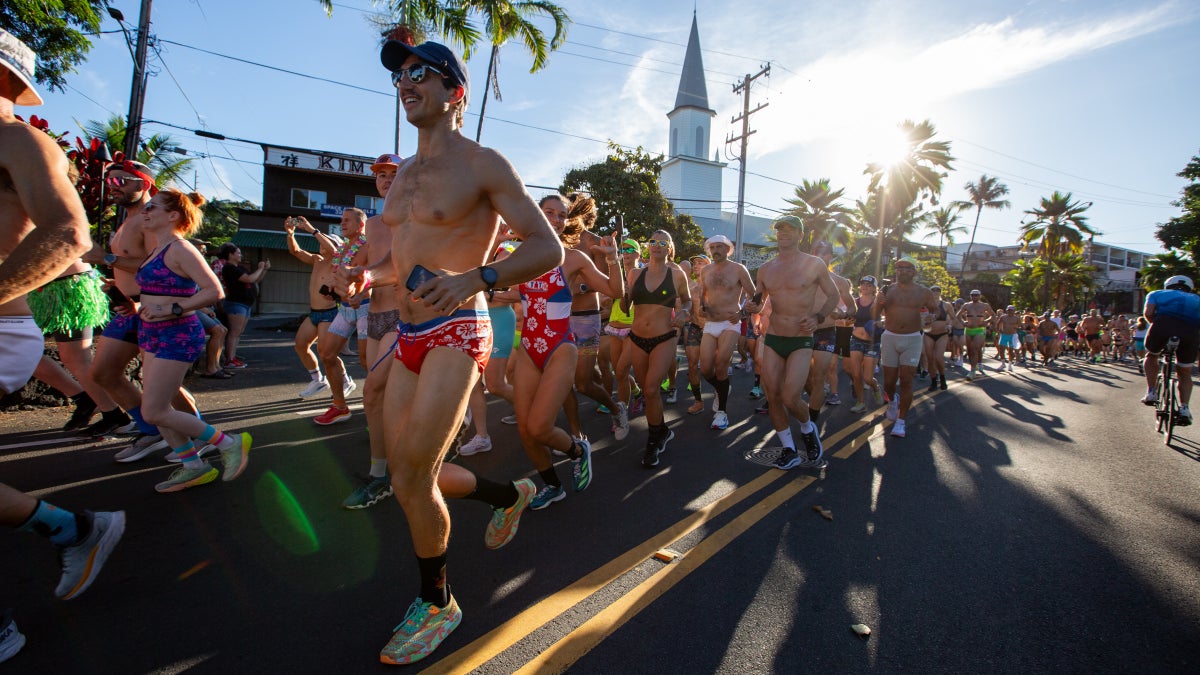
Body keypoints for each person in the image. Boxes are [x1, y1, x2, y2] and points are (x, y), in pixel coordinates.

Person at [376, 39, 563, 665]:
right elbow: (398, 256)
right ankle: (508, 496)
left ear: (455, 91)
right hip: (408, 333)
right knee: (406, 476)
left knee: (412, 474)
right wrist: (364, 275)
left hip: (458, 327)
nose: (406, 83)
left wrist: (476, 279)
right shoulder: (404, 173)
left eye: (420, 73)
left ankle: (437, 604)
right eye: (400, 76)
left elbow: (547, 247)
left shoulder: (484, 164)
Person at [0, 32, 124, 662]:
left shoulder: (18, 139)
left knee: (84, 360)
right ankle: (73, 528)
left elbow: (71, 233)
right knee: (81, 362)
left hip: (5, 323)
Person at [133, 189, 253, 491]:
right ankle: (194, 467)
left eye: (152, 207)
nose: (145, 211)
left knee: (153, 411)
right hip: (152, 333)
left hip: (177, 333)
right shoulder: (158, 248)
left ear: (173, 216)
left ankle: (229, 443)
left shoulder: (181, 249)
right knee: (156, 408)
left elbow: (214, 291)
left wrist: (172, 309)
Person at [515, 194, 623, 507]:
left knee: (539, 426)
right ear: (537, 215)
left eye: (562, 215)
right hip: (528, 348)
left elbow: (615, 291)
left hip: (560, 347)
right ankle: (553, 486)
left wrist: (613, 258)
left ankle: (578, 450)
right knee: (525, 430)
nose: (556, 219)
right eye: (549, 212)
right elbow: (504, 289)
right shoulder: (520, 255)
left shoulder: (573, 258)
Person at [755, 215, 840, 467]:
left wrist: (818, 317)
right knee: (772, 396)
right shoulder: (766, 268)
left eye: (790, 229)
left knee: (791, 397)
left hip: (801, 339)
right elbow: (758, 300)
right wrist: (751, 306)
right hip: (773, 338)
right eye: (780, 229)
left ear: (801, 235)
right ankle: (789, 449)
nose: (783, 233)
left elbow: (833, 295)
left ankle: (807, 428)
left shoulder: (814, 264)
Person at [625, 230, 691, 467]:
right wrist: (622, 287)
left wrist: (683, 313)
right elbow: (624, 306)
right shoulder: (635, 273)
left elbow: (687, 300)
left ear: (669, 248)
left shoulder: (676, 274)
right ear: (647, 245)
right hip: (637, 338)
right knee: (647, 390)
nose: (657, 245)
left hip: (664, 337)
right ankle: (662, 429)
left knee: (652, 388)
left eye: (663, 242)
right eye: (653, 241)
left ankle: (653, 440)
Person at [314, 208, 370, 424]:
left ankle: (377, 410)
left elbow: (371, 275)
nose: (342, 224)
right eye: (341, 220)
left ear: (361, 225)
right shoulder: (342, 248)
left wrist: (361, 291)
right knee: (327, 354)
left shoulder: (368, 245)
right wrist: (333, 288)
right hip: (345, 308)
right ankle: (340, 406)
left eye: (347, 220)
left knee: (366, 361)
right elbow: (340, 275)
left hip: (366, 307)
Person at [874, 257, 940, 438]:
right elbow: (875, 314)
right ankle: (892, 401)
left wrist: (932, 317)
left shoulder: (924, 292)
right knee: (888, 383)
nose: (902, 270)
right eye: (899, 267)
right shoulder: (887, 290)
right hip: (890, 337)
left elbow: (935, 309)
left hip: (912, 338)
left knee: (906, 380)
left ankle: (901, 421)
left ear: (914, 271)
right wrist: (878, 301)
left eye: (907, 268)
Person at [697, 233, 757, 430]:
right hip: (710, 323)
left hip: (730, 323)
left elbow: (754, 294)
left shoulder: (738, 269)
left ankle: (722, 413)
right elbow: (703, 294)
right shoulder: (705, 270)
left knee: (722, 364)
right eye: (712, 247)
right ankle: (722, 387)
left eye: (719, 247)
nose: (716, 250)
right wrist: (702, 307)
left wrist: (742, 313)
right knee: (706, 369)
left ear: (728, 249)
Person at [282, 215, 339, 398]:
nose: (321, 245)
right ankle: (318, 380)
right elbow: (296, 251)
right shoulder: (317, 259)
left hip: (329, 313)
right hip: (314, 313)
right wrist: (290, 234)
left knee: (326, 352)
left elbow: (333, 250)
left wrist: (312, 229)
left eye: (326, 241)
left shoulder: (337, 261)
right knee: (300, 345)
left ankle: (344, 379)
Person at [803, 240, 853, 425]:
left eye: (825, 253)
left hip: (826, 332)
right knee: (805, 379)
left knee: (819, 376)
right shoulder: (802, 277)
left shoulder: (839, 282)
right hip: (803, 332)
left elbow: (852, 307)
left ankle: (812, 421)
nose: (821, 256)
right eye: (817, 253)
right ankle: (816, 397)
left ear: (831, 256)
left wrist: (843, 314)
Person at [1140, 275, 1200, 423]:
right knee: (1184, 372)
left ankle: (1151, 392)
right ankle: (1184, 408)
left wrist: (1156, 326)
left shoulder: (1156, 294)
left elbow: (1148, 313)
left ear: (1168, 285)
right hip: (1190, 332)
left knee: (1151, 356)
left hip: (1163, 326)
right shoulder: (1197, 299)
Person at [216, 242, 268, 368]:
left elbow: (255, 280)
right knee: (234, 332)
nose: (241, 255)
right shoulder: (229, 268)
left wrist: (264, 269)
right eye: (238, 253)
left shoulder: (240, 268)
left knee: (238, 332)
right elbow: (249, 279)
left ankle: (232, 356)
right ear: (230, 255)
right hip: (236, 303)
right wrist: (259, 268)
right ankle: (229, 359)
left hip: (245, 303)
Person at [847, 275, 884, 412]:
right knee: (856, 375)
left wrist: (881, 322)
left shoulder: (878, 302)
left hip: (872, 342)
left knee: (868, 378)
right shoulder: (855, 301)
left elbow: (888, 317)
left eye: (869, 285)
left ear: (874, 288)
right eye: (863, 284)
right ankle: (860, 402)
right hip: (855, 340)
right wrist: (847, 320)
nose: (865, 287)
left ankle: (876, 387)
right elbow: (849, 318)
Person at [683, 254, 709, 414]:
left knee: (709, 369)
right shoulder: (691, 289)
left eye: (700, 262)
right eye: (694, 263)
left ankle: (720, 394)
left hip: (712, 329)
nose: (696, 265)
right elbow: (687, 312)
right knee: (692, 366)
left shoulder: (714, 287)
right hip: (694, 328)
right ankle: (698, 401)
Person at [921, 285, 955, 388]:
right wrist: (925, 319)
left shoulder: (946, 305)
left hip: (942, 334)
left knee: (939, 357)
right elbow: (918, 317)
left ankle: (942, 377)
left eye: (938, 290)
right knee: (930, 359)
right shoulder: (924, 305)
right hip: (928, 334)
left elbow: (953, 317)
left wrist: (949, 325)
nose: (935, 292)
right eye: (933, 290)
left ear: (940, 292)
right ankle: (933, 381)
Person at [957, 289, 994, 380]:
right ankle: (974, 366)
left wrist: (986, 321)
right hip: (968, 330)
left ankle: (972, 371)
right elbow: (958, 315)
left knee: (974, 349)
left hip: (979, 330)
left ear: (980, 296)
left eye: (976, 295)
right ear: (970, 296)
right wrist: (963, 322)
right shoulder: (966, 305)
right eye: (973, 295)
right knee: (969, 351)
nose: (974, 297)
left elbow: (993, 315)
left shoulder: (985, 305)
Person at [995, 305, 1021, 372]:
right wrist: (998, 331)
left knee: (1010, 351)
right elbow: (998, 324)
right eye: (1008, 310)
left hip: (1012, 335)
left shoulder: (1016, 318)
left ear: (1014, 311)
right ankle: (1003, 363)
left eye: (1011, 310)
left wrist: (1017, 328)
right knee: (1001, 349)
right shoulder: (1003, 317)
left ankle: (1010, 364)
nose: (1010, 311)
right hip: (1004, 334)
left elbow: (1021, 326)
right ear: (1006, 311)